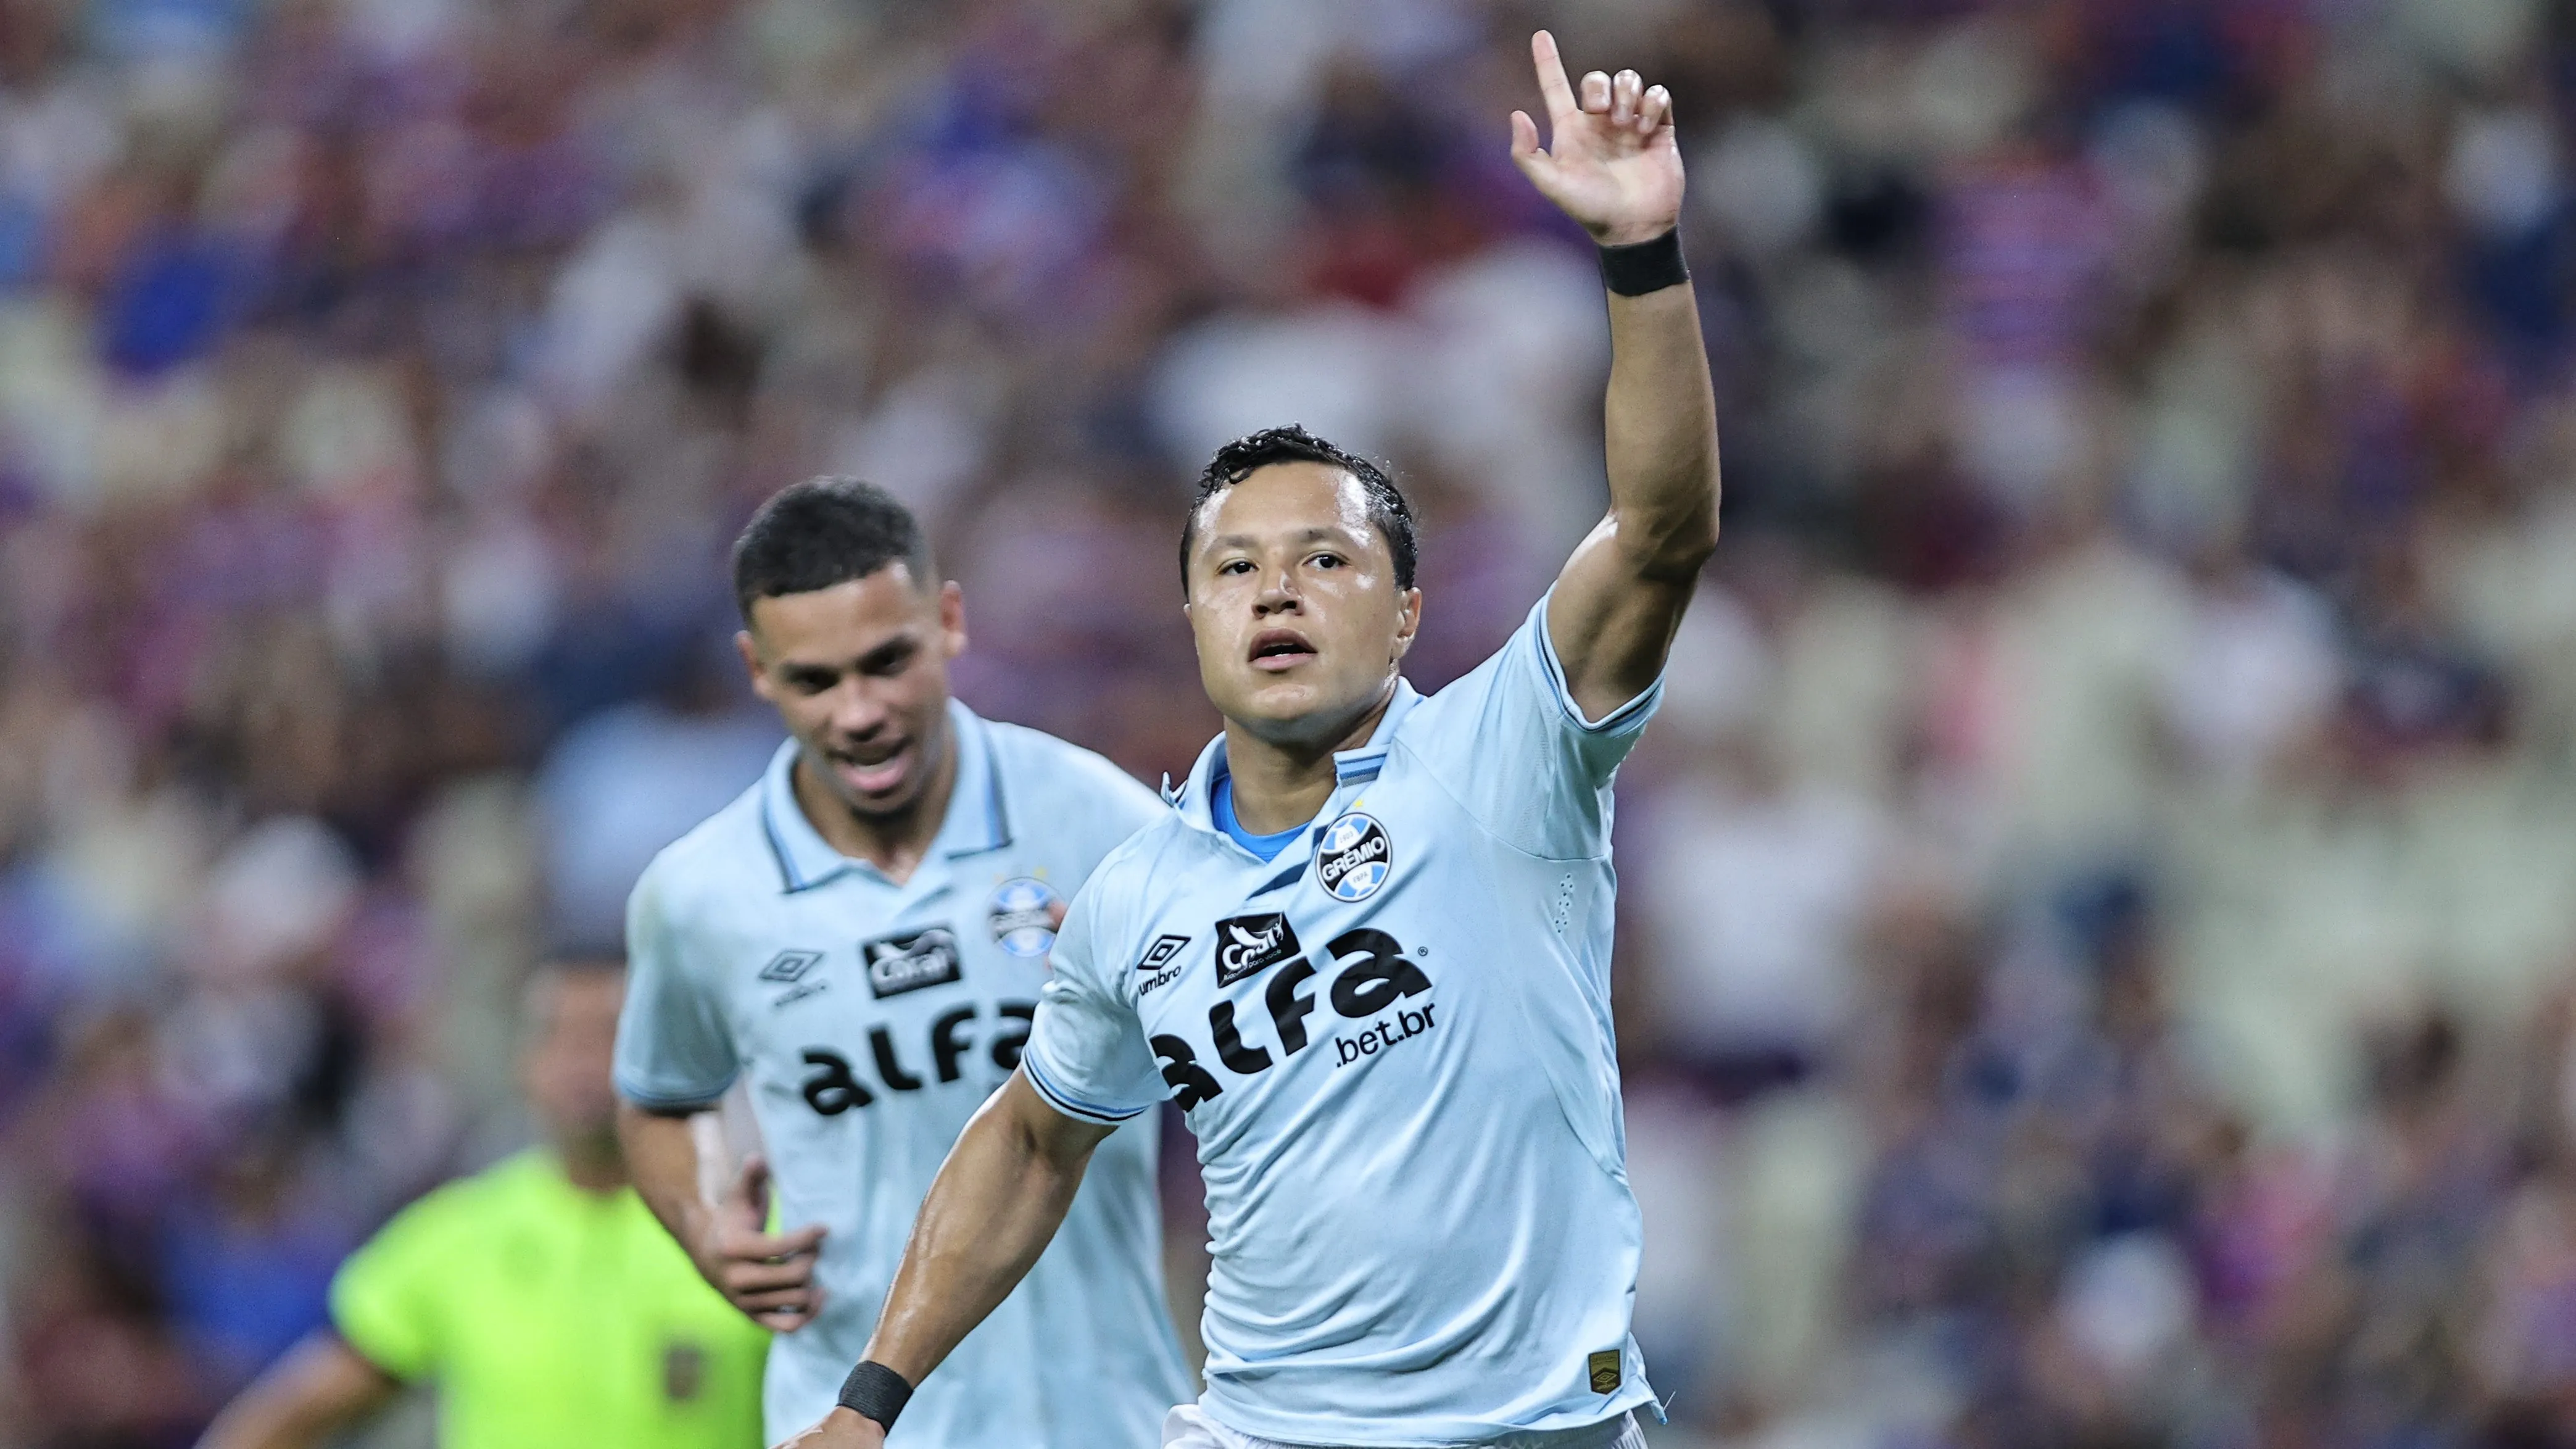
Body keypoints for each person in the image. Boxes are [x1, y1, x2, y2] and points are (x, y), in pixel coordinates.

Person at [782, 31, 1718, 1449]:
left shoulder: (1504, 753)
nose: (1275, 587)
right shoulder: (1136, 894)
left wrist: (1641, 257)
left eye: (1324, 561)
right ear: (1192, 619)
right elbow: (1036, 1139)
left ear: (1406, 615)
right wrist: (871, 1400)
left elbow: (1659, 534)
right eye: (1235, 568)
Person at [614, 478, 1191, 1446]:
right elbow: (661, 1096)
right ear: (757, 669)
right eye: (815, 680)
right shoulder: (700, 892)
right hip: (845, 1426)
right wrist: (704, 1217)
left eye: (888, 662)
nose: (859, 711)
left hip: (1100, 1414)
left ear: (950, 621)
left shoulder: (1104, 823)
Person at [196, 957, 769, 1449]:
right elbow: (288, 1416)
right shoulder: (458, 1234)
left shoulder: (746, 1227)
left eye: (610, 1036)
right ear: (525, 1062)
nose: (583, 1064)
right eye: (558, 1036)